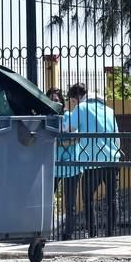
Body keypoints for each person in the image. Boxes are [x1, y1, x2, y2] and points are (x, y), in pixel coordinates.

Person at [67, 82, 120, 237]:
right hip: (111, 159)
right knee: (112, 198)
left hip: (91, 160)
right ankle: (111, 232)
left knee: (88, 199)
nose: (73, 104)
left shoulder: (81, 108)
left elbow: (69, 128)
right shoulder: (109, 110)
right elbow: (117, 136)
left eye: (72, 101)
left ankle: (93, 232)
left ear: (76, 98)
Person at [47, 88, 82, 240]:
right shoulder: (46, 118)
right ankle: (45, 231)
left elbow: (75, 138)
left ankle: (68, 234)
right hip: (52, 165)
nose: (55, 102)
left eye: (57, 99)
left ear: (61, 101)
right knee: (47, 201)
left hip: (70, 164)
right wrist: (61, 141)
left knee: (70, 203)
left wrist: (57, 141)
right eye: (51, 99)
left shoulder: (69, 116)